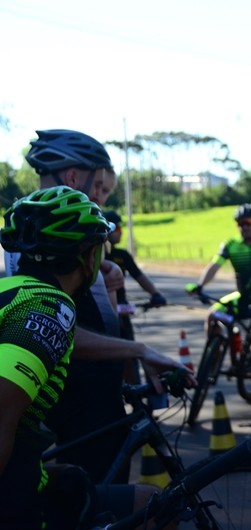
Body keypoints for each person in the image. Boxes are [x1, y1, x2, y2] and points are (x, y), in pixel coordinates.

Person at [4, 129, 191, 485]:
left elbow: (96, 318)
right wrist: (137, 350)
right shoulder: (36, 236)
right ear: (75, 177)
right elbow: (53, 327)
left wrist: (105, 274)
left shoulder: (52, 233)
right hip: (81, 406)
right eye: (101, 188)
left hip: (96, 397)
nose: (102, 199)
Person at [0, 187, 172, 529]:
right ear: (87, 256)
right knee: (158, 508)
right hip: (15, 505)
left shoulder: (15, 291)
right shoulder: (50, 308)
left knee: (134, 497)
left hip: (20, 476)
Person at [187, 204, 251, 377]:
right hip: (243, 298)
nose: (244, 227)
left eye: (248, 222)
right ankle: (214, 358)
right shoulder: (231, 245)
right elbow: (215, 266)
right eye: (240, 223)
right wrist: (200, 285)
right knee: (212, 315)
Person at [103, 210, 168, 382]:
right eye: (117, 228)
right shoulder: (96, 256)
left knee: (130, 357)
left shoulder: (122, 255)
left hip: (122, 311)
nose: (121, 232)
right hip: (102, 313)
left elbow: (139, 276)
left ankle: (134, 390)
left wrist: (155, 294)